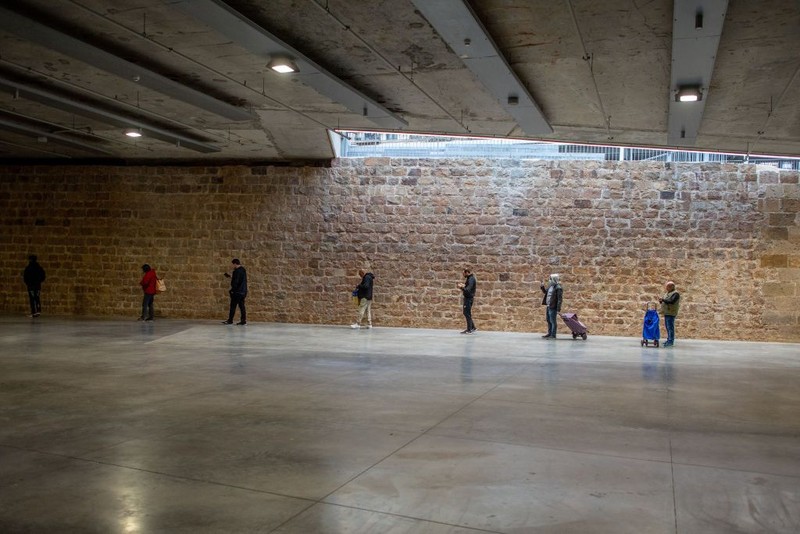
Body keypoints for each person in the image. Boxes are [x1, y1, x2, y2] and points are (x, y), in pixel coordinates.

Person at [222, 258, 247, 325]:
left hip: (237, 292)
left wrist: (232, 290)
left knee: (233, 306)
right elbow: (240, 280)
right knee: (242, 307)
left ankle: (230, 320)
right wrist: (231, 277)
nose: (232, 266)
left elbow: (235, 283)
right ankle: (243, 321)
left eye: (232, 265)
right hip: (243, 291)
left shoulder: (236, 271)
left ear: (235, 264)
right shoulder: (243, 270)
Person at [659, 281, 681, 347]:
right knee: (668, 327)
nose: (666, 288)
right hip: (666, 312)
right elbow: (665, 301)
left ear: (672, 287)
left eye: (668, 287)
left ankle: (671, 341)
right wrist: (661, 301)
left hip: (671, 312)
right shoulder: (667, 293)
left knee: (670, 327)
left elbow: (671, 301)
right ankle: (668, 340)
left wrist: (663, 300)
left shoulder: (676, 294)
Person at [540, 273, 563, 338]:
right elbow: (545, 292)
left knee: (553, 321)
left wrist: (558, 309)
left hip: (553, 307)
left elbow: (559, 299)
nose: (549, 280)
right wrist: (542, 286)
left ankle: (553, 335)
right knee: (548, 320)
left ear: (554, 279)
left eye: (550, 279)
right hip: (548, 306)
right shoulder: (551, 286)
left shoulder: (558, 288)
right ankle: (549, 333)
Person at [457, 268, 477, 334]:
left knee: (466, 313)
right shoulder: (470, 278)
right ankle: (473, 327)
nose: (463, 275)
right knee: (467, 313)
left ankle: (469, 330)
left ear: (467, 272)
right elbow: (467, 287)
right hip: (468, 298)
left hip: (468, 299)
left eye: (463, 273)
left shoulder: (471, 279)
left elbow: (468, 290)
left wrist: (461, 287)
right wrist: (464, 285)